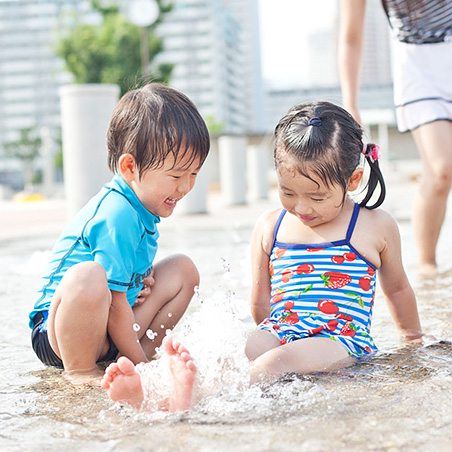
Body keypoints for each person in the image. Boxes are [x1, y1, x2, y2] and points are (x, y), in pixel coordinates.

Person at [101, 101, 423, 411]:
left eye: (317, 196)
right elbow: (260, 303)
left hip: (340, 340)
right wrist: (268, 337)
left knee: (274, 362)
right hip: (281, 330)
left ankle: (192, 402)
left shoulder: (372, 226)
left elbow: (397, 289)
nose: (302, 207)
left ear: (352, 180)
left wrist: (413, 340)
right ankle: (161, 392)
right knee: (227, 351)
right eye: (288, 192)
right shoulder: (271, 226)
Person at [29, 83, 210, 384]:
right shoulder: (117, 212)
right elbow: (114, 304)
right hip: (61, 333)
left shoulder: (143, 206)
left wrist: (140, 277)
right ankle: (85, 371)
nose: (185, 187)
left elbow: (122, 295)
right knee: (88, 276)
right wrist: (148, 374)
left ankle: (136, 356)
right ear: (129, 167)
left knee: (184, 271)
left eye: (194, 174)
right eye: (177, 175)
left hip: (108, 329)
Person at [338, 0, 452, 276]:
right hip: (418, 69)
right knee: (441, 170)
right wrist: (350, 103)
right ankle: (427, 265)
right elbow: (351, 38)